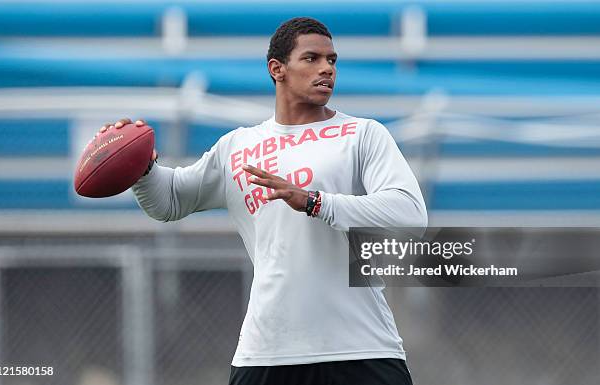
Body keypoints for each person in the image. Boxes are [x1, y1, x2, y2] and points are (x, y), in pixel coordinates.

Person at [102, 17, 426, 385]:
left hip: (362, 347)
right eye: (312, 58)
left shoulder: (362, 134)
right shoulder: (238, 146)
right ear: (277, 69)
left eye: (332, 60)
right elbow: (170, 201)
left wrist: (316, 202)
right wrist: (141, 167)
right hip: (268, 350)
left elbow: (409, 214)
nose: (326, 69)